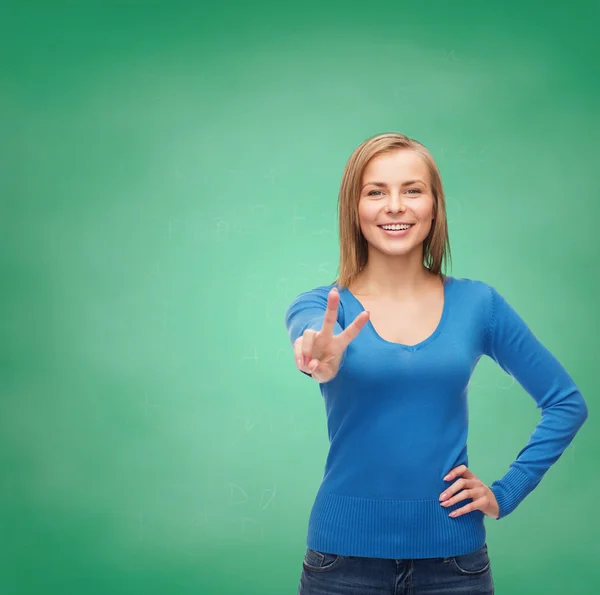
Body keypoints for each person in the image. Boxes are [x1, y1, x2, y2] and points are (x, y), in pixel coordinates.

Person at [284, 132, 588, 594]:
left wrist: (505, 492)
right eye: (375, 191)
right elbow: (310, 341)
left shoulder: (478, 304)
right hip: (340, 566)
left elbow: (566, 403)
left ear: (433, 205)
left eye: (412, 189)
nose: (395, 206)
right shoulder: (322, 307)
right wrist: (314, 356)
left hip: (454, 566)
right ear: (354, 209)